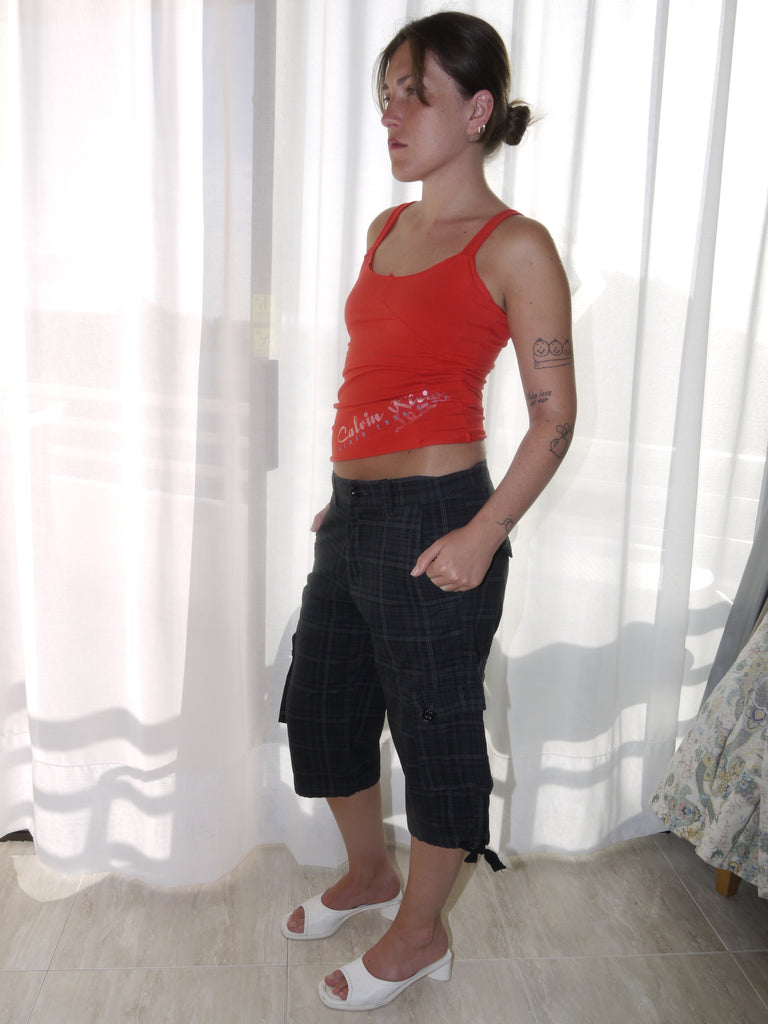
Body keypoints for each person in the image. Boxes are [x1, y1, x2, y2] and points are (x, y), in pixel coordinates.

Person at [279, 11, 576, 1012]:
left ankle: (420, 934)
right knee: (322, 710)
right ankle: (368, 874)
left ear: (477, 109)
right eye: (386, 94)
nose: (392, 114)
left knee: (438, 731)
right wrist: (341, 501)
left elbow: (553, 420)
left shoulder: (516, 245)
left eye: (416, 93)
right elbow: (374, 374)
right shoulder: (387, 229)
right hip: (357, 513)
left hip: (442, 517)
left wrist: (483, 534)